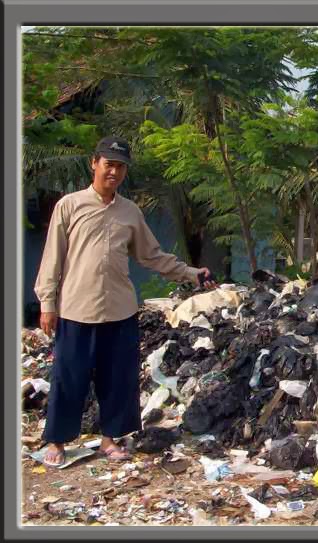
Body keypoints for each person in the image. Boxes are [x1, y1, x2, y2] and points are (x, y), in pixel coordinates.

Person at [34, 136, 215, 468]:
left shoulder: (130, 212)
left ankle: (110, 439)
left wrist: (192, 273)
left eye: (120, 166)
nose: (114, 171)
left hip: (120, 310)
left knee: (118, 378)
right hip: (76, 309)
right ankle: (57, 440)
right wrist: (48, 303)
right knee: (67, 377)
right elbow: (52, 258)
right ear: (95, 163)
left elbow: (152, 256)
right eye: (109, 164)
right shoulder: (70, 205)